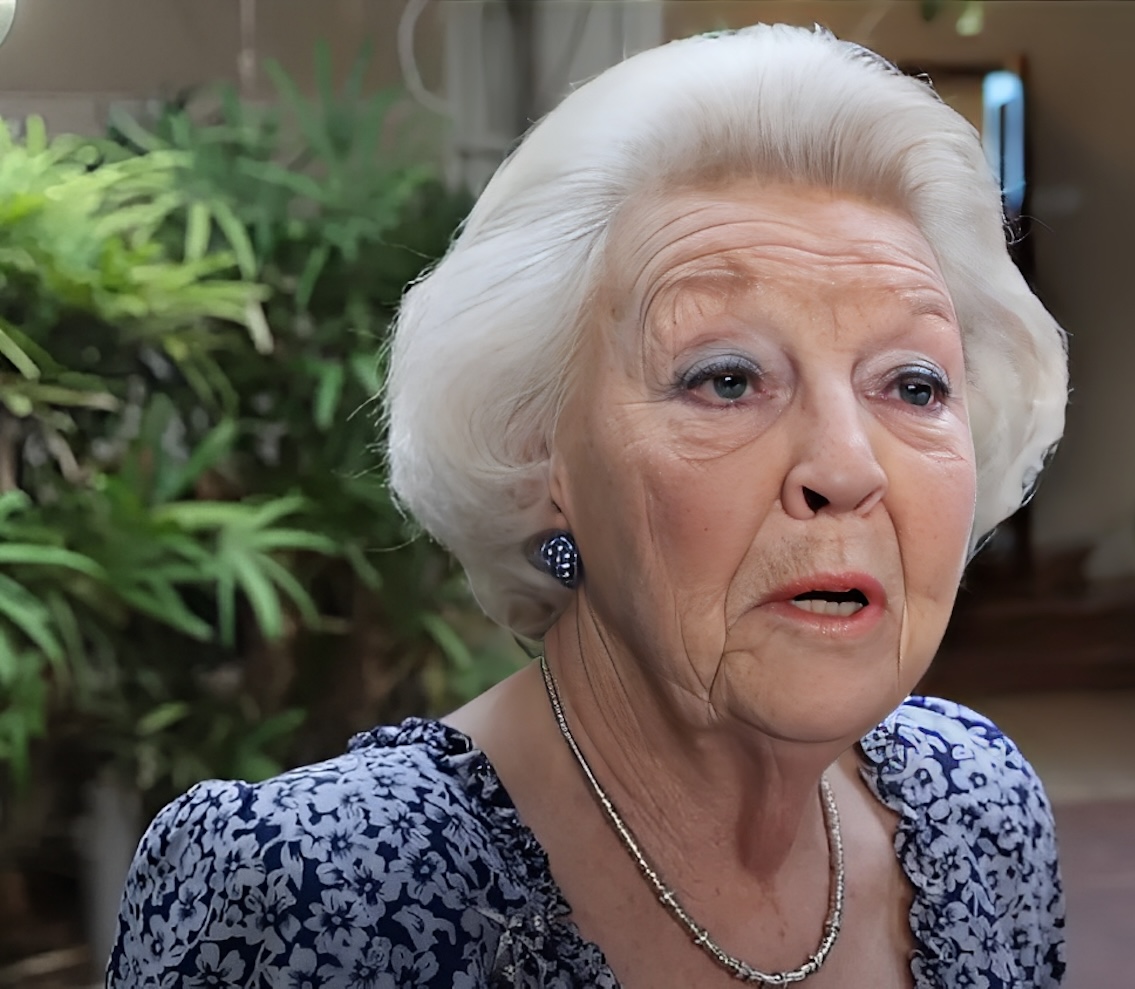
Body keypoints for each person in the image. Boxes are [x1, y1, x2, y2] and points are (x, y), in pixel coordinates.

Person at [109, 24, 1069, 988]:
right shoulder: (299, 888)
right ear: (541, 454)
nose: (847, 467)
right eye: (727, 380)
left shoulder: (974, 809)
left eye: (912, 384)